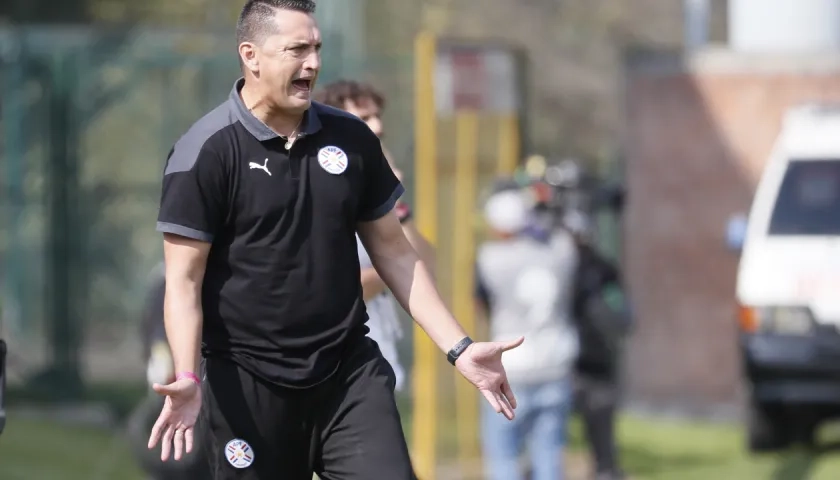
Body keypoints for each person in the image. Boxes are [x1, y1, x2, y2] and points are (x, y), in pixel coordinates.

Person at [146, 2, 524, 479]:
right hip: (246, 381)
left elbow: (394, 251)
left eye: (317, 48)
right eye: (297, 49)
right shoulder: (204, 151)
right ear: (251, 55)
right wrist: (185, 375)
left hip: (348, 374)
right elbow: (183, 282)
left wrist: (460, 348)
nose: (313, 63)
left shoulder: (351, 138)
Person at [314, 79, 435, 392]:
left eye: (378, 115)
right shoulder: (323, 194)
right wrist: (394, 268)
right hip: (334, 372)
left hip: (377, 366)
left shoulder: (377, 193)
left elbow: (426, 268)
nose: (378, 126)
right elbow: (334, 292)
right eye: (365, 119)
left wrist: (396, 205)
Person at [475, 188, 579, 480]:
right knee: (548, 455)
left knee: (504, 457)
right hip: (556, 361)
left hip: (511, 369)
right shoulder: (561, 250)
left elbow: (481, 303)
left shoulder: (490, 257)